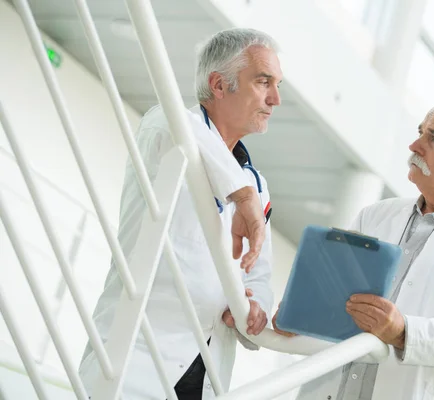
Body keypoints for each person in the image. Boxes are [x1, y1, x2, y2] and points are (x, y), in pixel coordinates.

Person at [274, 96, 434, 399]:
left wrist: (404, 332)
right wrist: (301, 317)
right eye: (421, 131)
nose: (415, 145)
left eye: (433, 137)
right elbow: (335, 303)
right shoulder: (375, 215)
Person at [79, 28, 283, 399]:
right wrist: (242, 196)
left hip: (205, 369)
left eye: (277, 85)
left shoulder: (257, 184)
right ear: (219, 85)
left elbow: (259, 273)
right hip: (136, 358)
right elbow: (182, 126)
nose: (275, 99)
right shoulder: (163, 130)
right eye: (263, 81)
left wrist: (256, 305)